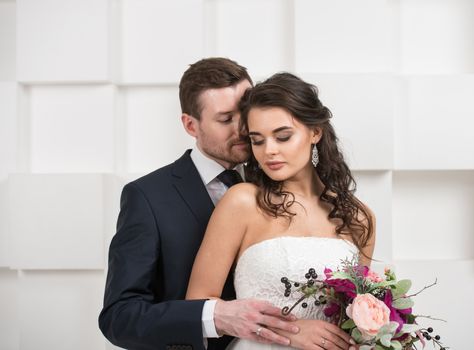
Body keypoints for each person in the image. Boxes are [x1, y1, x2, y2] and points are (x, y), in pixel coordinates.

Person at [99, 58, 299, 350]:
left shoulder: (282, 178)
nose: (243, 127)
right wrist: (213, 316)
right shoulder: (147, 197)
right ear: (191, 125)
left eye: (245, 112)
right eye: (225, 119)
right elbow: (120, 317)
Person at [186, 72, 376, 350]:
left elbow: (357, 314)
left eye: (283, 136)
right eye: (258, 140)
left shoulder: (358, 217)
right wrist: (291, 330)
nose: (269, 151)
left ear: (315, 132)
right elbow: (198, 303)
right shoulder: (242, 202)